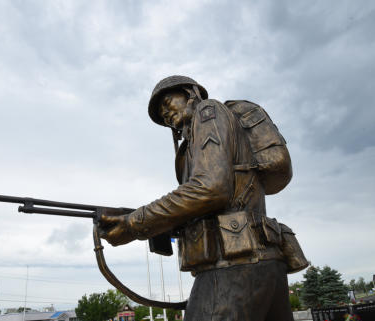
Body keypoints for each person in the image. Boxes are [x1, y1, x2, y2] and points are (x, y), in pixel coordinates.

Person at [99, 75, 303, 321]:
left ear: (190, 92)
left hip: (234, 266)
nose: (165, 113)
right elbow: (208, 200)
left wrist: (135, 223)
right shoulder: (196, 138)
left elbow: (210, 188)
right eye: (160, 113)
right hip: (258, 260)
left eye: (166, 102)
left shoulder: (208, 112)